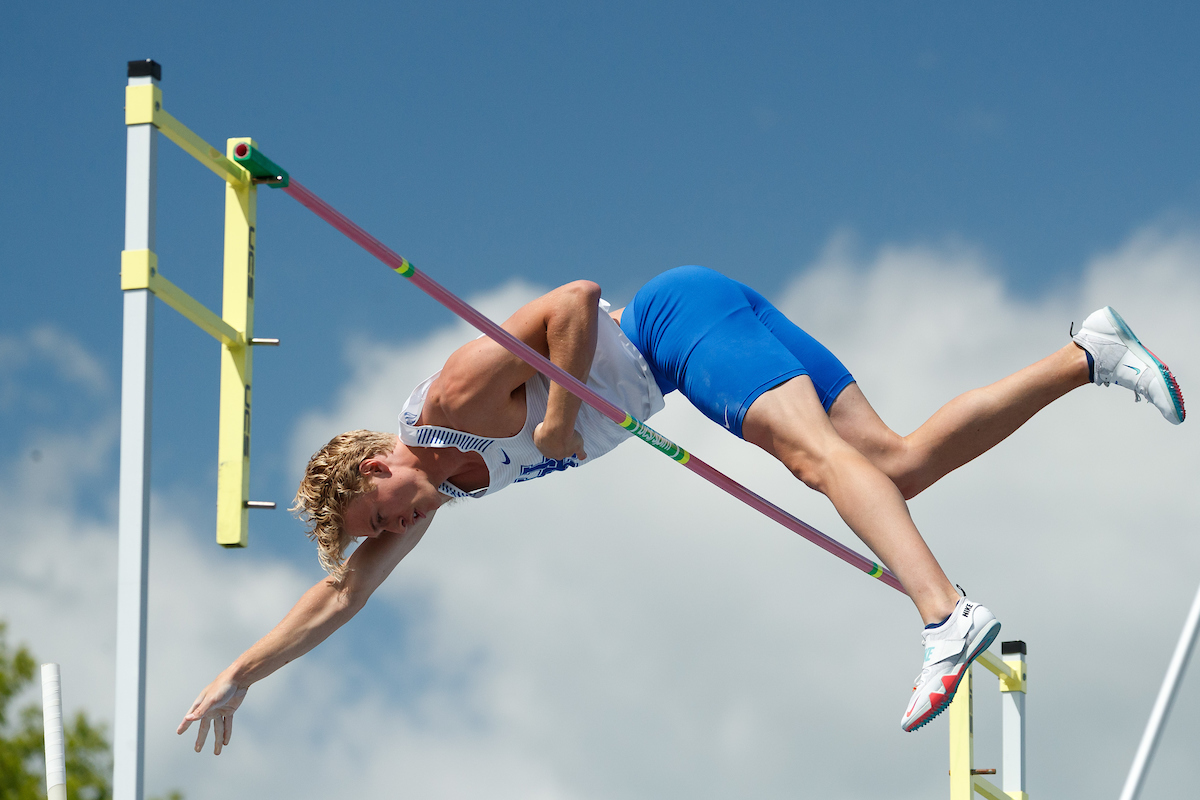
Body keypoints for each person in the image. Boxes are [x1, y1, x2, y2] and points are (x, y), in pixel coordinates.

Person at [177, 265, 1185, 752]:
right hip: (698, 328)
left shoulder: (448, 403)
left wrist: (558, 414)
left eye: (380, 515)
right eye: (382, 535)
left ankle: (944, 615)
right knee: (895, 463)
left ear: (373, 465)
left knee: (819, 462)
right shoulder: (437, 490)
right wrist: (238, 672)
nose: (396, 529)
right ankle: (1089, 353)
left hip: (673, 323)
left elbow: (574, 298)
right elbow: (340, 597)